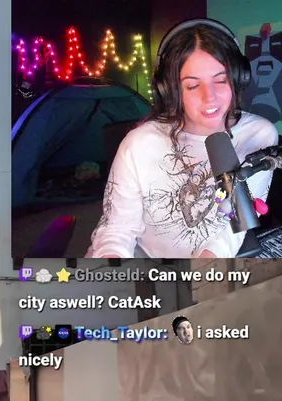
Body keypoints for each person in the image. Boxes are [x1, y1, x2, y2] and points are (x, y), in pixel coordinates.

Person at [87, 19, 277, 259]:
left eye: (221, 80)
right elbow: (117, 230)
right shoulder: (140, 144)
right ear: (171, 89)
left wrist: (206, 264)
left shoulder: (258, 136)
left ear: (237, 79)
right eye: (193, 86)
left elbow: (236, 220)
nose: (210, 97)